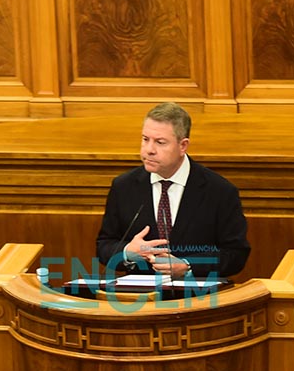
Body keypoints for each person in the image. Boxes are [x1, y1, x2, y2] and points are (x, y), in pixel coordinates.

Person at [95, 102, 249, 280]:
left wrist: (187, 266)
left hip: (199, 299)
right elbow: (104, 245)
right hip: (141, 298)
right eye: (145, 139)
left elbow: (235, 254)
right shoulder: (124, 186)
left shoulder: (219, 191)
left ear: (183, 146)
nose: (149, 150)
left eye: (160, 142)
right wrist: (127, 253)